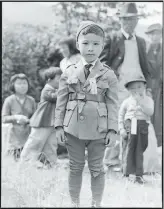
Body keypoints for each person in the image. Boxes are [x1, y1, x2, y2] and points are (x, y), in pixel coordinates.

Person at [55, 21, 118, 207]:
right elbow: (61, 101)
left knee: (97, 168)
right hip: (72, 127)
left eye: (96, 44)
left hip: (100, 128)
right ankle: (74, 204)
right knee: (75, 167)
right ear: (77, 44)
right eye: (85, 43)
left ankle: (96, 204)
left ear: (102, 46)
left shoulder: (108, 74)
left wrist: (113, 129)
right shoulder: (68, 71)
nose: (90, 48)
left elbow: (113, 104)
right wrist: (59, 126)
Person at [101, 2, 152, 169]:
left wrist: (148, 87)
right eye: (126, 20)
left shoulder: (142, 42)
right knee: (117, 122)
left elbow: (145, 67)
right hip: (118, 88)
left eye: (132, 20)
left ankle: (128, 163)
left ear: (137, 21)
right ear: (121, 21)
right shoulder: (112, 38)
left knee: (136, 124)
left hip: (137, 89)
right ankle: (110, 161)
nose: (129, 23)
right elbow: (101, 63)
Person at [20, 67, 62, 169]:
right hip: (42, 121)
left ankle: (51, 162)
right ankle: (26, 161)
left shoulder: (56, 90)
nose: (61, 80)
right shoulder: (47, 89)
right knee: (36, 141)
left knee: (51, 144)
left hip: (51, 122)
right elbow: (55, 97)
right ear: (49, 79)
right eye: (59, 78)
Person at [118, 76, 154, 184]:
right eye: (133, 88)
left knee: (140, 149)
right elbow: (121, 115)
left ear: (144, 86)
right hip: (131, 124)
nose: (137, 90)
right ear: (128, 90)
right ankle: (128, 174)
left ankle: (138, 174)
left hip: (142, 126)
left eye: (139, 86)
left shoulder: (148, 100)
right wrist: (121, 129)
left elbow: (150, 112)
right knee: (130, 148)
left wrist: (141, 102)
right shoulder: (126, 102)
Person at [2, 73, 36, 161]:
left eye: (25, 83)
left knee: (27, 164)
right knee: (14, 164)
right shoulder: (9, 100)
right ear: (13, 85)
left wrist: (28, 120)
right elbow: (4, 118)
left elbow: (36, 118)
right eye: (19, 84)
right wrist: (16, 117)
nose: (22, 86)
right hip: (13, 140)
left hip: (28, 138)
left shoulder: (31, 100)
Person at [145, 23, 162, 147]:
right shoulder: (145, 51)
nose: (155, 37)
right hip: (150, 86)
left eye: (157, 33)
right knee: (150, 113)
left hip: (161, 86)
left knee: (160, 114)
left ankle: (160, 141)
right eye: (152, 34)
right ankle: (150, 142)